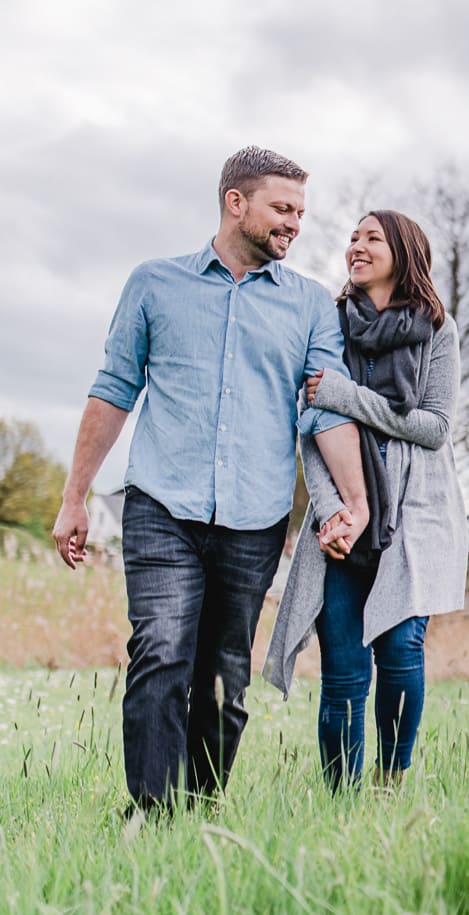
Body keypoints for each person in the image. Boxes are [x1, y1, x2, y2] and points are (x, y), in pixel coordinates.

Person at [51, 146, 370, 812]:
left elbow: (326, 411)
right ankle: (153, 812)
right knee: (161, 650)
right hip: (162, 505)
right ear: (236, 202)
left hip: (254, 518)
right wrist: (75, 495)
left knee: (225, 677)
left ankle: (201, 811)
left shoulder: (310, 306)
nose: (294, 225)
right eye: (282, 208)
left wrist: (356, 501)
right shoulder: (153, 284)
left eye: (300, 213)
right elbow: (113, 390)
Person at [265, 209, 467, 791]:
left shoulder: (437, 329)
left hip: (416, 513)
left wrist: (347, 395)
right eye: (353, 238)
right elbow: (313, 422)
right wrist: (332, 510)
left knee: (402, 646)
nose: (356, 246)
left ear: (403, 253)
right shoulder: (329, 324)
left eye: (371, 238)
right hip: (341, 514)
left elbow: (432, 426)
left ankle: (390, 780)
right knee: (344, 669)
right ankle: (341, 801)